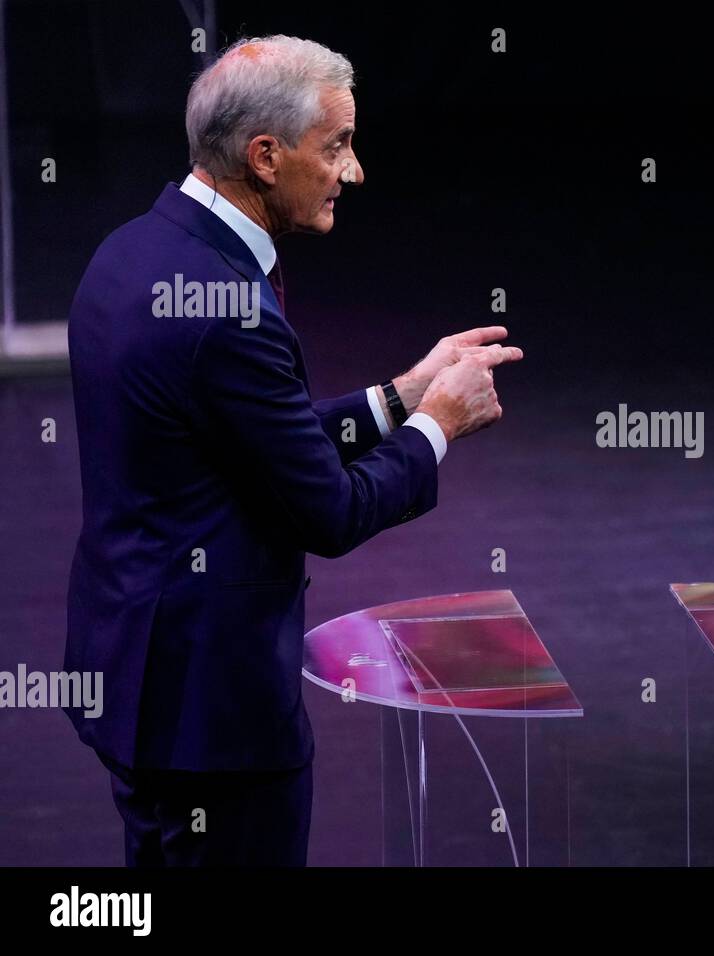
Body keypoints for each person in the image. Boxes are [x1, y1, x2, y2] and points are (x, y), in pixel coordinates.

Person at [62, 35, 521, 865]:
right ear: (265, 156)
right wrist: (439, 427)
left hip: (131, 670)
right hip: (210, 712)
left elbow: (246, 443)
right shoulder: (227, 306)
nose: (355, 171)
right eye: (337, 146)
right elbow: (329, 510)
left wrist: (400, 396)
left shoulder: (130, 251)